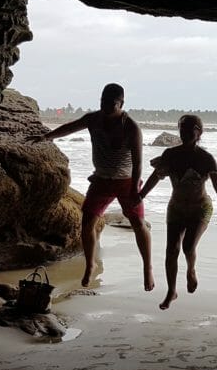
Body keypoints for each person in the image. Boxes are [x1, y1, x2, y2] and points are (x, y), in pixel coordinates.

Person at [27, 83, 154, 291]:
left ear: (121, 103)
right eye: (102, 101)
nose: (105, 106)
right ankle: (90, 264)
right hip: (101, 179)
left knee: (138, 223)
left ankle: (147, 268)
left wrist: (134, 190)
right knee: (87, 222)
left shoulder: (130, 127)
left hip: (126, 181)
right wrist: (46, 137)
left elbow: (139, 162)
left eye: (111, 104)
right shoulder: (93, 119)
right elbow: (70, 128)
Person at [139, 115, 217, 310]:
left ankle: (191, 270)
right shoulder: (171, 155)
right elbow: (156, 177)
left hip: (201, 208)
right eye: (182, 130)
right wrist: (141, 196)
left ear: (199, 132)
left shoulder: (206, 158)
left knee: (188, 247)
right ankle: (171, 291)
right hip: (177, 208)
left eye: (190, 130)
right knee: (171, 250)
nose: (185, 134)